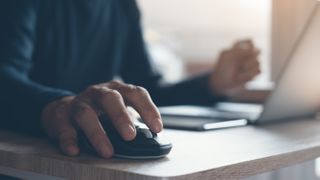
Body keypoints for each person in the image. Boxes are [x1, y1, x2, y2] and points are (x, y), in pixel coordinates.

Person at [0, 1, 260, 158]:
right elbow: (5, 78)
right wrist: (57, 105)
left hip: (88, 157)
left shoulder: (122, 4)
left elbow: (148, 90)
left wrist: (213, 84)